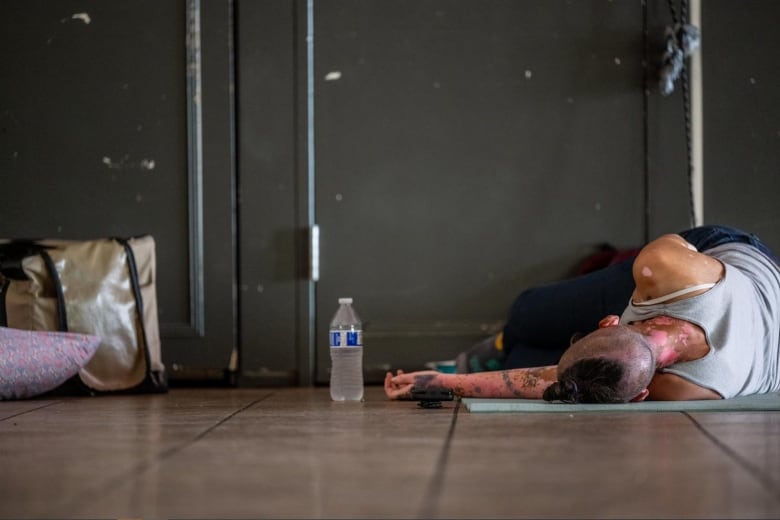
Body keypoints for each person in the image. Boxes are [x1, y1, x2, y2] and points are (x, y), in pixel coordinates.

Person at [384, 225, 780, 403]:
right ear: (611, 320)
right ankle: (503, 341)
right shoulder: (660, 269)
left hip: (755, 331)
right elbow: (678, 247)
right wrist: (446, 382)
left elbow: (552, 377)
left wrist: (448, 381)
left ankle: (501, 350)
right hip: (726, 256)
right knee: (527, 311)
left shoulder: (681, 387)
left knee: (535, 362)